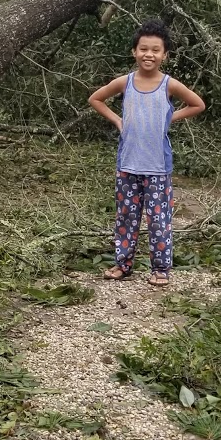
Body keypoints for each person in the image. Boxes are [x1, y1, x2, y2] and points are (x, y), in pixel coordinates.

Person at [87, 19, 205, 288]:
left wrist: (169, 117)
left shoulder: (169, 85)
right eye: (143, 49)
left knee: (158, 220)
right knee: (126, 217)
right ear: (134, 52)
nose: (148, 54)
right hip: (128, 164)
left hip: (157, 167)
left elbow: (198, 104)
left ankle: (160, 268)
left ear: (165, 55)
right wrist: (118, 121)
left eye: (155, 50)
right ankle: (122, 264)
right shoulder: (125, 82)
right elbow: (95, 98)